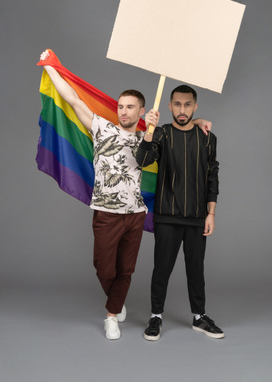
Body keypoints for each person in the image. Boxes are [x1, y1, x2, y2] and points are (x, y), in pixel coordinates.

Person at [39, 51, 211, 340]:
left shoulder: (152, 137)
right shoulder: (101, 128)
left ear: (141, 111)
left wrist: (200, 121)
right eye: (120, 107)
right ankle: (115, 301)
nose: (123, 111)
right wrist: (51, 68)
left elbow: (181, 127)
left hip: (134, 215)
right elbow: (72, 99)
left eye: (130, 107)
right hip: (106, 212)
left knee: (126, 270)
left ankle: (111, 316)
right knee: (103, 267)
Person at [136, 84, 224, 340]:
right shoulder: (161, 134)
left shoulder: (207, 137)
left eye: (187, 105)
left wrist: (211, 213)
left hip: (198, 216)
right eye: (177, 104)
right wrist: (148, 130)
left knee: (196, 269)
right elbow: (143, 161)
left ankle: (200, 317)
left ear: (195, 106)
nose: (182, 109)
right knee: (161, 268)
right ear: (169, 106)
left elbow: (212, 175)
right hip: (167, 215)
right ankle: (155, 317)